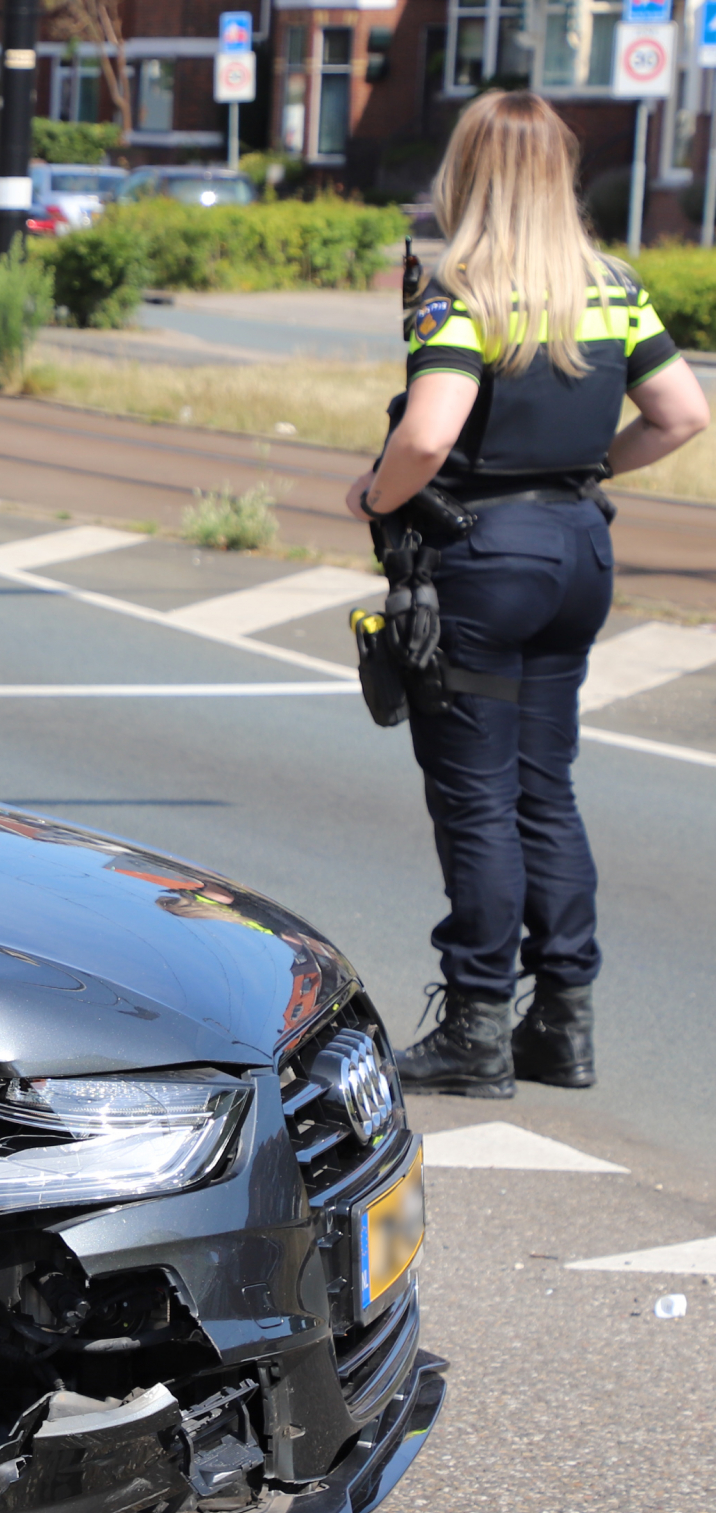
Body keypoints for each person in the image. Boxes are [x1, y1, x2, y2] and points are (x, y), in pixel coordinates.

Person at [346, 89, 705, 1098]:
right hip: (577, 552)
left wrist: (374, 493)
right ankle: (564, 1024)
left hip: (481, 562)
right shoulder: (612, 285)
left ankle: (474, 1032)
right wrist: (582, 473)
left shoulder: (459, 291)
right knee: (544, 789)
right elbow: (681, 413)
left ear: (470, 174)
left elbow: (425, 434)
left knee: (475, 802)